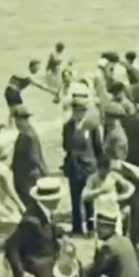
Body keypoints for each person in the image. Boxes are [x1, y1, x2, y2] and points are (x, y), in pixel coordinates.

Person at [5, 177, 65, 277]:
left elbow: (47, 231)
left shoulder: (46, 211)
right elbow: (12, 246)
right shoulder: (30, 221)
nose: (60, 199)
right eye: (57, 197)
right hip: (38, 267)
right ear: (48, 200)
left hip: (50, 260)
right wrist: (21, 274)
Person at [83, 203, 139, 277]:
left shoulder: (109, 246)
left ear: (107, 228)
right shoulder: (125, 240)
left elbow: (93, 273)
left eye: (99, 226)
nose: (97, 229)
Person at [62, 96, 103, 235]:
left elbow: (98, 148)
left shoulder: (92, 126)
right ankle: (77, 228)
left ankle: (91, 227)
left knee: (88, 200)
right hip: (74, 168)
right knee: (75, 199)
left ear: (85, 112)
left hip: (88, 168)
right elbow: (65, 145)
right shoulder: (68, 126)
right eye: (76, 111)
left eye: (80, 111)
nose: (78, 114)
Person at [11, 105, 47, 208]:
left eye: (18, 120)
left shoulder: (28, 136)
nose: (16, 123)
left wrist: (44, 173)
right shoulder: (24, 133)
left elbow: (34, 157)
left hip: (28, 177)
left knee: (32, 204)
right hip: (22, 177)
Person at [4, 60, 57, 127]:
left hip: (12, 92)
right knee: (17, 109)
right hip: (12, 92)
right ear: (32, 66)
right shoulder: (27, 74)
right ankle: (11, 126)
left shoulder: (25, 73)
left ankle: (11, 125)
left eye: (38, 68)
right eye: (36, 68)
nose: (37, 70)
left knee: (14, 110)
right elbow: (39, 85)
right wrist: (53, 92)